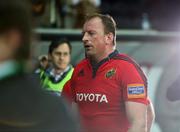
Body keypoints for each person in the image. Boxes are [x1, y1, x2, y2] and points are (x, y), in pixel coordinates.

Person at [62, 13, 155, 132]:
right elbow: (73, 119)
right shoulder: (79, 69)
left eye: (91, 33)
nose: (84, 38)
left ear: (108, 38)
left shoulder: (128, 69)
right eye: (83, 34)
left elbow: (140, 123)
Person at [0, 0, 79, 131]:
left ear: (10, 39)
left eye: (65, 54)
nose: (61, 58)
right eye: (58, 54)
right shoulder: (54, 108)